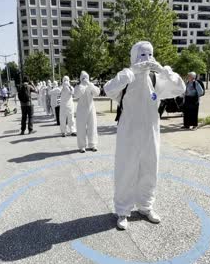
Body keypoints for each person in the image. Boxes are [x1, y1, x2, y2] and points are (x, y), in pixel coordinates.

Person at [104, 41, 186, 230]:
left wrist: (164, 71)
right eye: (142, 55)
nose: (146, 59)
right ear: (134, 57)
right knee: (126, 170)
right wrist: (131, 71)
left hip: (151, 132)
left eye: (149, 55)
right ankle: (123, 211)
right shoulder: (126, 77)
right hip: (128, 133)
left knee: (150, 169)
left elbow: (179, 87)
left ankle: (145, 206)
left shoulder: (156, 79)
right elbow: (108, 89)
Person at [74, 71, 99, 153]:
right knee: (81, 127)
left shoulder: (91, 85)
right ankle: (82, 146)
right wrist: (82, 86)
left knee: (92, 126)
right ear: (81, 79)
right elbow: (76, 95)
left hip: (91, 108)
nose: (85, 79)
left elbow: (97, 93)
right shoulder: (78, 87)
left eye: (86, 77)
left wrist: (90, 85)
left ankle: (93, 144)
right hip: (81, 109)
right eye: (83, 78)